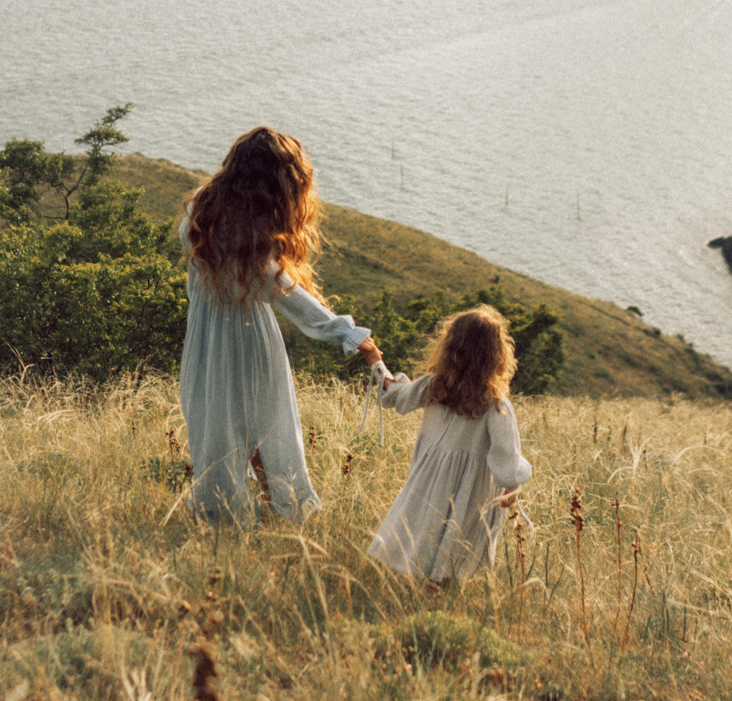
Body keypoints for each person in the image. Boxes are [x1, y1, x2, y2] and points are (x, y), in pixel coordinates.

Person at [180, 127, 380, 524]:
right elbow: (291, 297)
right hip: (248, 340)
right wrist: (350, 335)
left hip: (204, 340)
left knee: (218, 429)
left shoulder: (200, 215)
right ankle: (280, 509)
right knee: (265, 426)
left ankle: (232, 510)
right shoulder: (251, 239)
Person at [367, 304, 533, 580]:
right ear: (497, 355)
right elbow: (506, 461)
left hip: (428, 482)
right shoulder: (496, 405)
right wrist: (514, 483)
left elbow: (395, 394)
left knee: (420, 532)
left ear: (451, 347)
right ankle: (439, 592)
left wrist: (375, 359)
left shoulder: (434, 386)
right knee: (454, 548)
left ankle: (414, 590)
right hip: (469, 491)